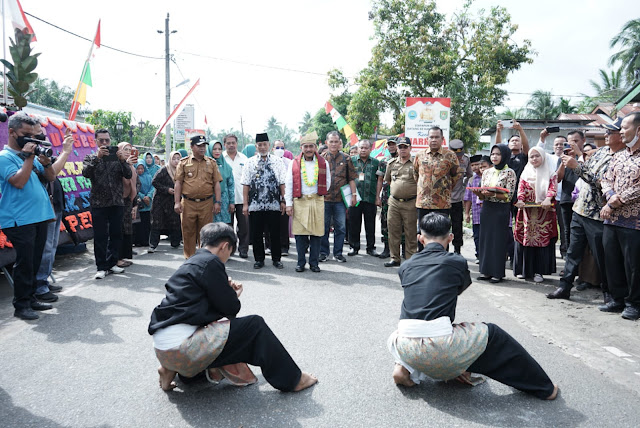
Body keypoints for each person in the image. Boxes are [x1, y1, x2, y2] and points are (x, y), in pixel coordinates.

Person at [387, 213, 558, 400]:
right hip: (440, 344)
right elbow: (456, 290)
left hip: (404, 344)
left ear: (420, 238)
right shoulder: (457, 262)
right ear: (450, 238)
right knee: (492, 333)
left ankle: (402, 366)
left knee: (414, 330)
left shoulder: (406, 266)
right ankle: (545, 388)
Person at [148, 222, 317, 392]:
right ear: (225, 246)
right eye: (230, 252)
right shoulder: (212, 262)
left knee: (221, 330)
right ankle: (294, 380)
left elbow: (197, 305)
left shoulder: (193, 261)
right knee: (255, 326)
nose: (227, 258)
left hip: (164, 350)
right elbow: (231, 308)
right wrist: (233, 293)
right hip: (184, 350)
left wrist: (223, 286)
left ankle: (168, 370)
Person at [546, 119, 625, 302]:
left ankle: (609, 294)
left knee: (601, 257)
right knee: (573, 252)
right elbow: (588, 172)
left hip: (598, 215)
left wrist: (577, 167)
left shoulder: (621, 158)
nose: (605, 135)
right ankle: (564, 287)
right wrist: (577, 163)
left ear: (620, 136)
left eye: (609, 132)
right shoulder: (602, 151)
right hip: (580, 209)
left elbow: (601, 183)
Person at [0, 113, 63, 319]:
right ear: (12, 132)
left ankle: (32, 297)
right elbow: (18, 181)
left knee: (35, 261)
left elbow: (51, 176)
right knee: (25, 263)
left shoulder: (32, 156)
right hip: (19, 219)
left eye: (36, 137)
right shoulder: (4, 158)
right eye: (27, 135)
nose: (32, 141)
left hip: (39, 216)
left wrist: (44, 162)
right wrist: (28, 158)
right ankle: (21, 306)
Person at [599, 112, 640, 320]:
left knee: (633, 265)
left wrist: (617, 200)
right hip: (611, 218)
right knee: (612, 260)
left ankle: (634, 303)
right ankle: (617, 299)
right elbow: (606, 178)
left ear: (638, 130)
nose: (621, 131)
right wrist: (610, 195)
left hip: (634, 222)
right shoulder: (619, 155)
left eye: (624, 127)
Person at [83, 128, 132, 279]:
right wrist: (97, 158)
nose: (105, 143)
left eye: (107, 140)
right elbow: (85, 173)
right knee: (100, 236)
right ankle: (101, 266)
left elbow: (128, 174)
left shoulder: (117, 159)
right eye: (101, 140)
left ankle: (112, 263)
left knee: (116, 234)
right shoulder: (90, 158)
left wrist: (123, 160)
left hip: (117, 202)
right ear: (96, 141)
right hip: (99, 203)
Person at [33, 124, 74, 302]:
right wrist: (65, 151)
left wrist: (65, 149)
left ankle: (45, 280)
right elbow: (51, 173)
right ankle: (40, 286)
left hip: (56, 206)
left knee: (52, 247)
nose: (43, 140)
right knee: (46, 248)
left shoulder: (44, 157)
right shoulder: (31, 159)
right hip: (44, 208)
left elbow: (54, 170)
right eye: (39, 136)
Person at [285, 132, 331, 273]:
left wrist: (317, 194)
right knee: (300, 234)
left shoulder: (323, 163)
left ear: (315, 147)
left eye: (311, 146)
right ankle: (300, 263)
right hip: (300, 201)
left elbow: (327, 182)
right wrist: (288, 204)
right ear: (301, 147)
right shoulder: (294, 163)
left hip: (317, 200)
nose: (309, 149)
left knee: (317, 234)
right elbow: (289, 184)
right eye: (306, 146)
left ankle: (314, 263)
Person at [241, 133, 287, 269]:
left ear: (269, 145)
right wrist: (245, 204)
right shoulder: (250, 162)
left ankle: (276, 259)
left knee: (275, 233)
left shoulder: (277, 161)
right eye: (259, 145)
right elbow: (245, 184)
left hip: (274, 204)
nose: (262, 147)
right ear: (256, 146)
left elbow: (282, 183)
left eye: (265, 144)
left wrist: (283, 201)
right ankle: (259, 259)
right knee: (256, 234)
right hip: (255, 205)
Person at [513, 147, 558, 283]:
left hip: (544, 212)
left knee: (541, 241)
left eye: (537, 156)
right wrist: (520, 199)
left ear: (543, 157)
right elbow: (521, 188)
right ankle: (525, 271)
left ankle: (539, 271)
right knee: (525, 240)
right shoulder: (525, 173)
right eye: (531, 157)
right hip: (526, 212)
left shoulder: (551, 173)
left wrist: (548, 199)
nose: (534, 159)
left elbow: (552, 188)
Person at [474, 144, 517, 283]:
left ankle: (497, 273)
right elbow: (482, 195)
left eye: (498, 154)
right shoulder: (487, 172)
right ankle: (485, 271)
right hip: (487, 208)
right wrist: (479, 193)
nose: (495, 157)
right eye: (493, 154)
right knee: (485, 239)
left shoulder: (509, 172)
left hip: (501, 209)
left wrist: (492, 193)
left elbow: (508, 196)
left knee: (497, 241)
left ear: (504, 155)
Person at [414, 126, 459, 250]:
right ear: (427, 139)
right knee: (422, 233)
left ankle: (441, 261)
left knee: (442, 234)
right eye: (431, 137)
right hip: (423, 203)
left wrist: (444, 190)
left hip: (442, 204)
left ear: (442, 139)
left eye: (436, 137)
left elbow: (456, 176)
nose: (434, 140)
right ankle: (423, 261)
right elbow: (416, 175)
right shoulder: (419, 155)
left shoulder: (450, 156)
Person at [320, 131, 357, 263]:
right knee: (323, 228)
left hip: (340, 200)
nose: (334, 144)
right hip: (324, 199)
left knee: (340, 227)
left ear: (340, 143)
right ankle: (323, 253)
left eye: (336, 141)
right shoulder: (321, 158)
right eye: (331, 141)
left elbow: (352, 178)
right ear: (326, 143)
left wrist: (354, 195)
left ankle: (338, 253)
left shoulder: (347, 158)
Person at [383, 137, 417, 267]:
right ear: (397, 149)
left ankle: (410, 259)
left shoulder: (415, 163)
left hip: (410, 202)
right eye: (400, 147)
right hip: (394, 202)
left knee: (410, 232)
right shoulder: (391, 163)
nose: (403, 149)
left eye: (405, 147)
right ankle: (395, 258)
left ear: (410, 148)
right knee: (393, 230)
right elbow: (389, 180)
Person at [348, 139, 380, 257]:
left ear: (370, 149)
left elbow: (379, 181)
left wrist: (377, 197)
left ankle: (371, 248)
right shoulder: (351, 161)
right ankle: (354, 247)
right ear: (358, 148)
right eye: (361, 147)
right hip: (355, 198)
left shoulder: (376, 162)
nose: (363, 150)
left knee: (370, 224)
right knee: (354, 223)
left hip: (370, 198)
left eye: (366, 148)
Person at [556, 131, 585, 253]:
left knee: (581, 232)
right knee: (566, 230)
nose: (572, 145)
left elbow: (587, 172)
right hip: (567, 199)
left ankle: (583, 265)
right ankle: (568, 261)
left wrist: (578, 155)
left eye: (576, 141)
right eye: (569, 142)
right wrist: (563, 162)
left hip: (583, 200)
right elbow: (557, 178)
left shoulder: (586, 156)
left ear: (583, 141)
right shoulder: (563, 159)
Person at [149, 151, 183, 252]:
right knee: (157, 222)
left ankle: (175, 242)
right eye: (174, 158)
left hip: (173, 200)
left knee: (175, 221)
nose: (176, 161)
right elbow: (154, 182)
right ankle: (153, 245)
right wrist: (167, 189)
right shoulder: (164, 170)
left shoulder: (181, 170)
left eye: (178, 158)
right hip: (160, 201)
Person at [223, 134, 250, 258]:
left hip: (242, 198)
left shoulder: (244, 159)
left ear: (237, 143)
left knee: (244, 227)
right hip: (226, 199)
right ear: (225, 145)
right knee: (227, 227)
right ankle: (229, 250)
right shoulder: (220, 158)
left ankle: (243, 249)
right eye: (228, 143)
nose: (231, 145)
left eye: (233, 142)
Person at [448, 139, 473, 254]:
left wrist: (464, 191)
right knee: (443, 227)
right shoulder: (443, 159)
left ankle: (457, 251)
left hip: (457, 199)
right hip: (443, 199)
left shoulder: (466, 159)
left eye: (459, 154)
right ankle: (444, 251)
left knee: (457, 226)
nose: (458, 157)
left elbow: (469, 176)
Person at [116, 142, 138, 267]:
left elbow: (134, 185)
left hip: (128, 200)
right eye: (125, 149)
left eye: (130, 149)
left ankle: (123, 256)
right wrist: (126, 164)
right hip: (119, 200)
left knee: (127, 228)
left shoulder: (131, 166)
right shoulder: (117, 164)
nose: (128, 152)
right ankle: (117, 258)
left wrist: (134, 203)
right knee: (119, 229)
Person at [268, 139, 292, 256]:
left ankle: (284, 246)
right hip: (270, 196)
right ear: (272, 149)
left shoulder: (289, 162)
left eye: (282, 147)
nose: (280, 150)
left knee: (283, 222)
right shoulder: (268, 161)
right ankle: (269, 245)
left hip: (284, 195)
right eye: (277, 147)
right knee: (269, 222)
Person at [376, 138, 399, 259]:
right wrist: (377, 197)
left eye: (394, 145)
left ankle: (404, 249)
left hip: (401, 196)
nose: (391, 147)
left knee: (403, 224)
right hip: (386, 196)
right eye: (389, 145)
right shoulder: (384, 161)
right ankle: (386, 248)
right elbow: (380, 180)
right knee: (385, 222)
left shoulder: (406, 160)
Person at [463, 154, 484, 263]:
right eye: (472, 165)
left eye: (477, 164)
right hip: (476, 214)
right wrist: (467, 213)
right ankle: (479, 255)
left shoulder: (488, 176)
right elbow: (468, 198)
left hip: (488, 213)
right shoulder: (471, 180)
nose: (475, 167)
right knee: (477, 236)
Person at [209, 141, 235, 225]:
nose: (217, 151)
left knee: (224, 227)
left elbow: (230, 186)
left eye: (219, 149)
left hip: (224, 201)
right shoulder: (205, 165)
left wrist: (232, 202)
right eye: (214, 149)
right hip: (209, 200)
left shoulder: (227, 167)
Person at [133, 160, 154, 247]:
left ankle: (146, 240)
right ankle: (138, 241)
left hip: (148, 204)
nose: (140, 170)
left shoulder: (148, 176)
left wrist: (148, 196)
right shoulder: (134, 177)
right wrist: (142, 197)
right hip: (139, 202)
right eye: (138, 169)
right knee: (138, 224)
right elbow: (134, 187)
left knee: (146, 223)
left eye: (142, 168)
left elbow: (152, 187)